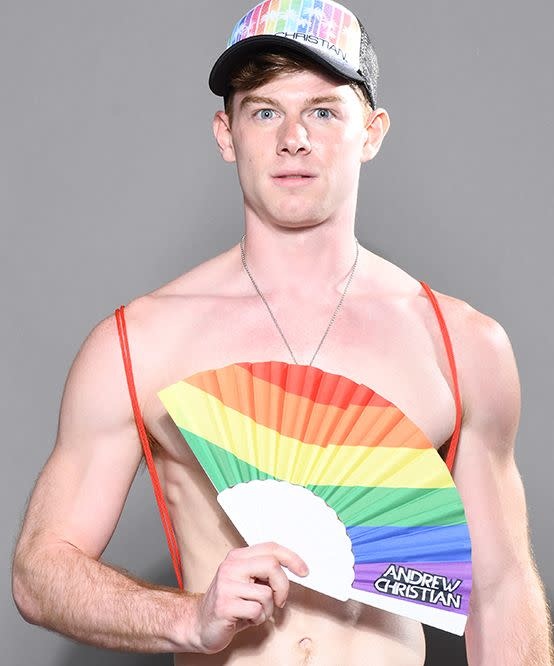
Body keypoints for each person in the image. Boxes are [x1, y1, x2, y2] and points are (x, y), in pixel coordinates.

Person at [12, 1, 552, 664]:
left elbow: (498, 593)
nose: (293, 138)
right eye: (265, 111)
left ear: (372, 132)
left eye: (323, 111)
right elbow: (40, 572)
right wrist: (187, 618)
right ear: (226, 134)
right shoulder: (139, 343)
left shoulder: (459, 344)